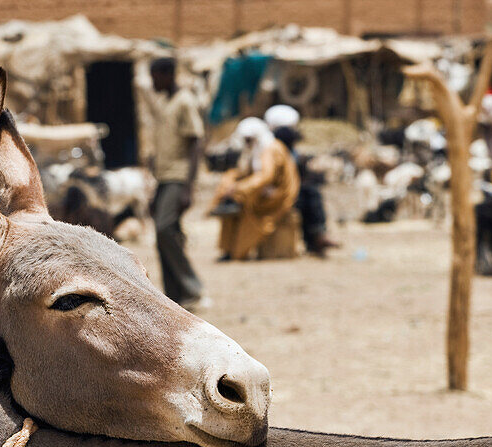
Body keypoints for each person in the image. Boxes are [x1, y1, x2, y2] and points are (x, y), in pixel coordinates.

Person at [136, 57, 208, 310]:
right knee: (165, 234)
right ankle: (175, 295)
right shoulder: (165, 101)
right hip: (165, 178)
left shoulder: (185, 101)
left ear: (167, 75)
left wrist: (189, 187)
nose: (153, 82)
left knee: (166, 229)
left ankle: (193, 288)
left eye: (155, 77)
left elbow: (196, 142)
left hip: (179, 176)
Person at [212, 117, 300, 261]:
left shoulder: (272, 149)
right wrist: (229, 184)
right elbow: (244, 171)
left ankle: (238, 252)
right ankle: (229, 250)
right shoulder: (255, 149)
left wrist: (240, 188)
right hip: (261, 193)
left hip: (277, 197)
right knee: (229, 200)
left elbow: (266, 177)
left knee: (244, 207)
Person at [265, 104, 339, 257]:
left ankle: (316, 237)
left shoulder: (283, 149)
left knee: (310, 193)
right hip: (278, 194)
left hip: (288, 191)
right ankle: (317, 237)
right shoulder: (275, 149)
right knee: (309, 195)